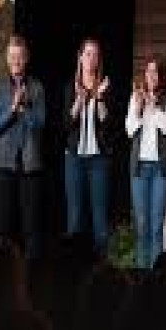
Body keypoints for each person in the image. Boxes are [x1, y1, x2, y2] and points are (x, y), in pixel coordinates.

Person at [0, 35, 45, 260]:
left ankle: (32, 271)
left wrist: (24, 109)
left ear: (26, 58)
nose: (16, 61)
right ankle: (2, 269)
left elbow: (39, 124)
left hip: (30, 163)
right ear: (7, 59)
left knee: (31, 224)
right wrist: (12, 109)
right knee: (3, 223)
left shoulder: (37, 87)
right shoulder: (0, 86)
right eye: (12, 56)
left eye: (19, 57)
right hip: (4, 163)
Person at [125, 56, 166, 269]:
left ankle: (157, 277)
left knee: (156, 226)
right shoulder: (136, 96)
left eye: (155, 72)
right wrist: (138, 107)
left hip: (160, 170)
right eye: (148, 71)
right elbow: (130, 130)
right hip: (139, 168)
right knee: (141, 226)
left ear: (162, 75)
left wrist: (153, 106)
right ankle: (141, 276)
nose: (151, 76)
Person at [63, 38, 113, 256]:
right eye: (88, 54)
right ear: (80, 57)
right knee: (74, 215)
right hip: (74, 158)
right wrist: (79, 101)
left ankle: (101, 265)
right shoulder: (70, 87)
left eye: (95, 55)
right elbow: (66, 124)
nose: (92, 59)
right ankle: (74, 265)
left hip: (98, 159)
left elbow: (108, 123)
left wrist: (99, 97)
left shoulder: (105, 86)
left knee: (99, 216)